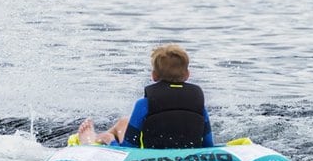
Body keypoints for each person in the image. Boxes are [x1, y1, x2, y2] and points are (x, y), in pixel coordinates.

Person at [71, 44, 214, 149]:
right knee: (123, 121)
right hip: (188, 157)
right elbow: (208, 145)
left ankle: (91, 141)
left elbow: (129, 147)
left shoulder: (144, 104)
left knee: (118, 128)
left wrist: (111, 140)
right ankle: (99, 137)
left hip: (148, 159)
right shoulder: (198, 104)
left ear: (154, 76)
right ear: (187, 75)